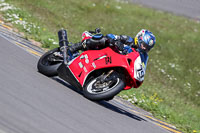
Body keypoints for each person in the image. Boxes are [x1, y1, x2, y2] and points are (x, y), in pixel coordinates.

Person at [68, 29, 156, 56]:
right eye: (144, 45)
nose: (144, 48)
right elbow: (111, 35)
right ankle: (74, 48)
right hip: (103, 50)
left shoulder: (139, 56)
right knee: (104, 39)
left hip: (110, 59)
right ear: (139, 39)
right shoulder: (128, 40)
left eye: (147, 48)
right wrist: (115, 42)